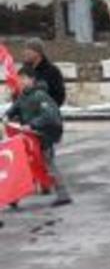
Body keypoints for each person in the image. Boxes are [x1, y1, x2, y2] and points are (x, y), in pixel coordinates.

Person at [4, 65, 72, 208]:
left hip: (41, 136)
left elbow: (49, 116)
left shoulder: (40, 95)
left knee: (47, 165)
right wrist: (6, 116)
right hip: (28, 137)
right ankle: (14, 196)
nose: (21, 81)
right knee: (22, 166)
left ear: (32, 80)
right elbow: (15, 108)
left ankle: (63, 194)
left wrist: (33, 125)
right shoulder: (24, 95)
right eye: (20, 79)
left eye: (24, 79)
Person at [21, 38, 66, 107]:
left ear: (38, 53)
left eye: (29, 51)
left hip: (45, 113)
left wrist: (44, 107)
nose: (25, 53)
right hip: (26, 114)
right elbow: (18, 96)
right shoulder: (23, 71)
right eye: (25, 50)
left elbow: (59, 96)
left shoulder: (52, 71)